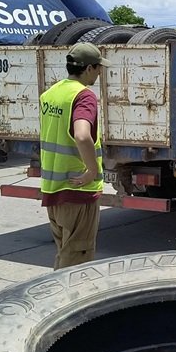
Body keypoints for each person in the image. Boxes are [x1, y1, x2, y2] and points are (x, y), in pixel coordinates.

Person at [39, 43, 110, 270]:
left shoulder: (51, 93)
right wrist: (91, 170)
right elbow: (81, 135)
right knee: (76, 266)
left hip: (54, 189)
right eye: (98, 67)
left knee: (64, 256)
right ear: (89, 68)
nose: (100, 72)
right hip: (77, 192)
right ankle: (62, 304)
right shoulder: (84, 96)